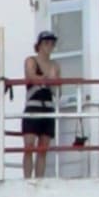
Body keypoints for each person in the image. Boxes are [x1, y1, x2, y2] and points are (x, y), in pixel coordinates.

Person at [21, 29, 62, 178]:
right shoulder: (31, 60)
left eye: (52, 43)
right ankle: (27, 179)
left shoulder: (55, 65)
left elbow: (58, 91)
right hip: (33, 107)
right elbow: (31, 76)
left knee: (43, 148)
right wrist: (48, 78)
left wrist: (52, 82)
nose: (49, 46)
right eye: (46, 43)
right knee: (29, 146)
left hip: (48, 109)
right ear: (38, 45)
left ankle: (39, 179)